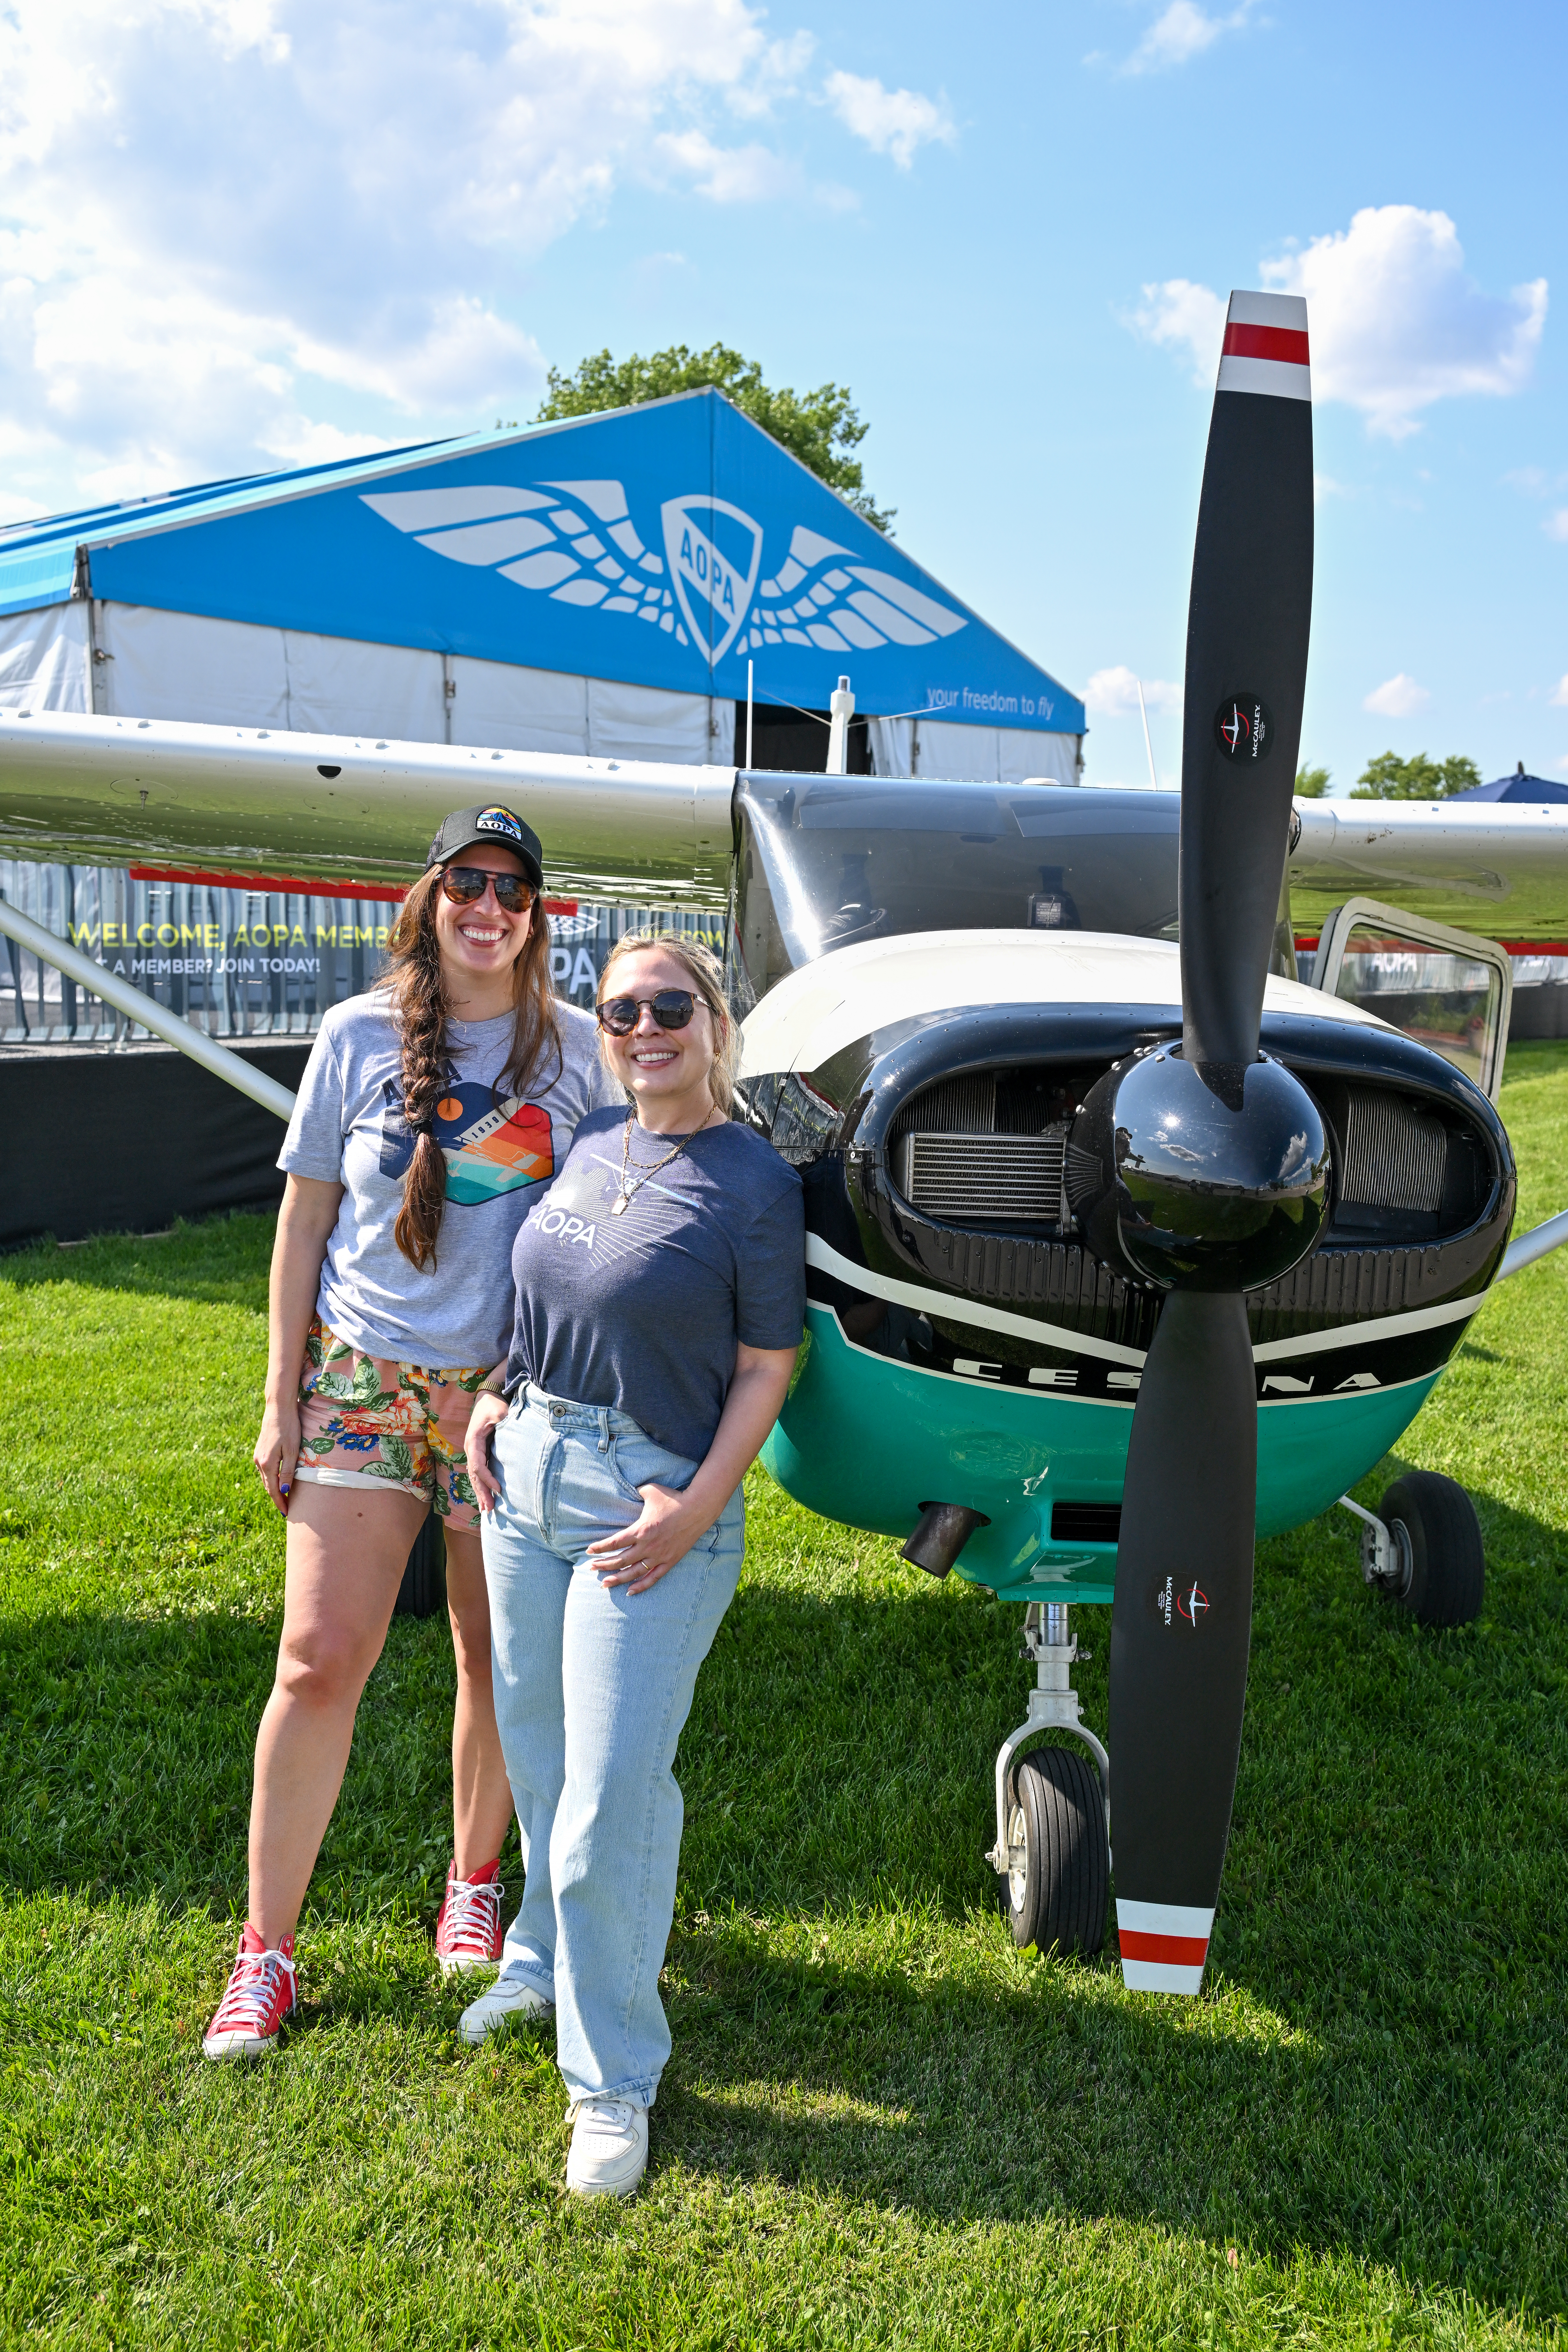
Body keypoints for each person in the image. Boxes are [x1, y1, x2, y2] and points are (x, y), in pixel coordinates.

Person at [204, 804, 619, 2061]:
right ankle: (265, 1954)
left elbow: (607, 1223)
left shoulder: (579, 1057)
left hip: (503, 1393)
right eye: (466, 884)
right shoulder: (353, 1037)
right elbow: (301, 1224)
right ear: (430, 899)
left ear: (536, 915)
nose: (487, 908)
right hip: (363, 1375)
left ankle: (473, 1881)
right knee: (317, 1660)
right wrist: (283, 1396)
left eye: (512, 889)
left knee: (496, 1661)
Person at [460, 931, 804, 2198]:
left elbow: (769, 1366)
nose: (644, 1027)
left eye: (671, 1005)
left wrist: (695, 1507)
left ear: (715, 1021)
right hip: (529, 1473)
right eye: (619, 1011)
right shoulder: (591, 1144)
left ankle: (610, 2082)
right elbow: (543, 1292)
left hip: (649, 1500)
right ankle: (541, 1953)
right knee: (540, 1751)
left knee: (610, 1796)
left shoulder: (758, 1184)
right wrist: (501, 1394)